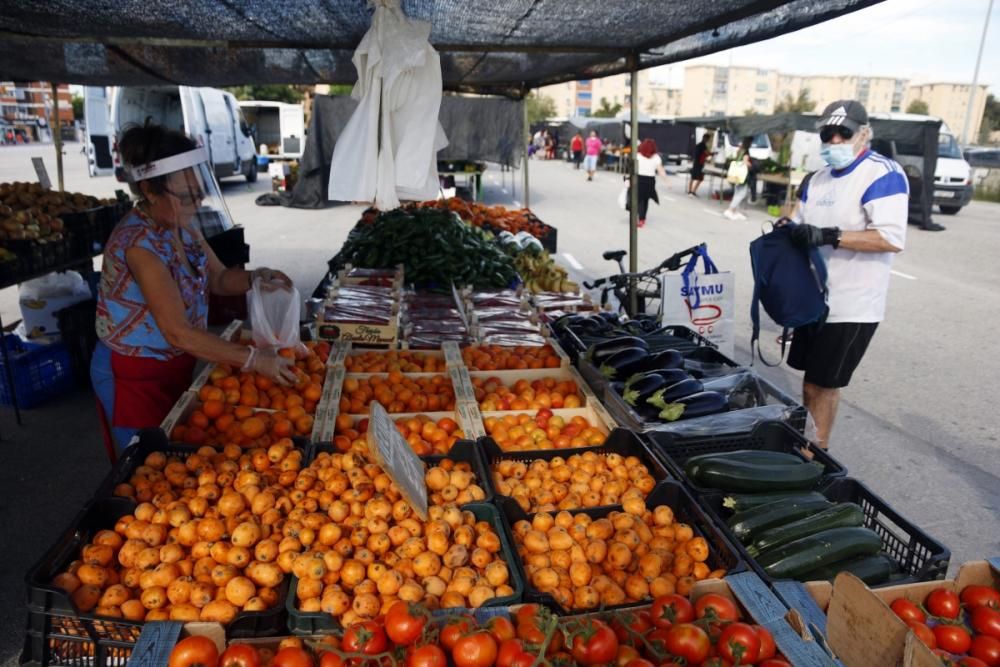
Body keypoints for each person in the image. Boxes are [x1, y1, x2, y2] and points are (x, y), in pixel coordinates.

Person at [92, 122, 298, 452]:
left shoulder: (182, 227)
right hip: (135, 375)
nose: (197, 203)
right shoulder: (138, 245)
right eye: (186, 196)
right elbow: (178, 332)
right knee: (149, 466)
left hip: (179, 363)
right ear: (148, 190)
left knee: (177, 448)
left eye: (199, 191)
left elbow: (217, 279)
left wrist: (256, 277)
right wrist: (253, 359)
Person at [784, 99, 908, 449]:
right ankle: (808, 446)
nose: (835, 140)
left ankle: (815, 457)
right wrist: (787, 231)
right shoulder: (817, 179)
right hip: (813, 300)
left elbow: (890, 237)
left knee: (821, 385)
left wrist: (830, 235)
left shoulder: (883, 174)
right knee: (810, 383)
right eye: (828, 133)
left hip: (853, 303)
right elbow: (798, 222)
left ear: (864, 134)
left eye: (844, 132)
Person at [634, 138, 669, 228]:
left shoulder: (637, 156)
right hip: (650, 180)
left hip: (639, 179)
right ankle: (642, 218)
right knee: (645, 199)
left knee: (639, 199)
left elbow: (633, 169)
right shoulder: (656, 157)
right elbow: (660, 170)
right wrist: (667, 181)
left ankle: (641, 218)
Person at [723, 137, 754, 220]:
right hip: (742, 176)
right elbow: (745, 162)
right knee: (741, 194)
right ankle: (730, 210)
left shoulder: (739, 150)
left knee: (737, 192)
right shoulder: (746, 152)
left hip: (736, 174)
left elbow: (738, 161)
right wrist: (751, 165)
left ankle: (734, 211)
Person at [688, 133, 713, 197]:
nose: (708, 140)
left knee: (694, 177)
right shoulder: (702, 145)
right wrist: (712, 154)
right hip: (699, 164)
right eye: (708, 139)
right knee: (698, 178)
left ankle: (691, 191)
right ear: (705, 138)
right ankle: (692, 191)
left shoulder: (698, 145)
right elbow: (707, 153)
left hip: (697, 163)